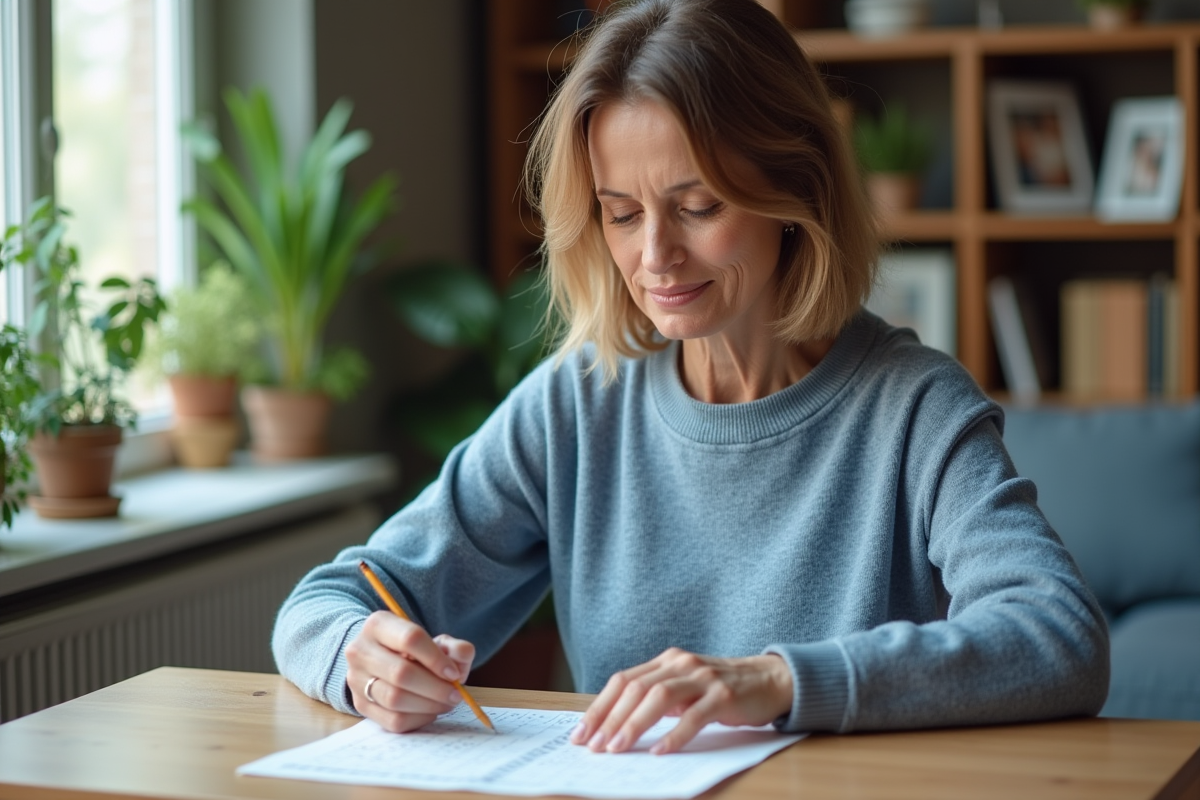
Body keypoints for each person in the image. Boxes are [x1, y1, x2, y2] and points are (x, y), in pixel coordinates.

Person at [273, 0, 1109, 755]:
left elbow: (1058, 635)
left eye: (699, 206)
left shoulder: (915, 408)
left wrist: (778, 681)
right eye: (621, 213)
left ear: (796, 187)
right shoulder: (576, 404)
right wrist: (360, 658)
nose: (654, 255)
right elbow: (328, 601)